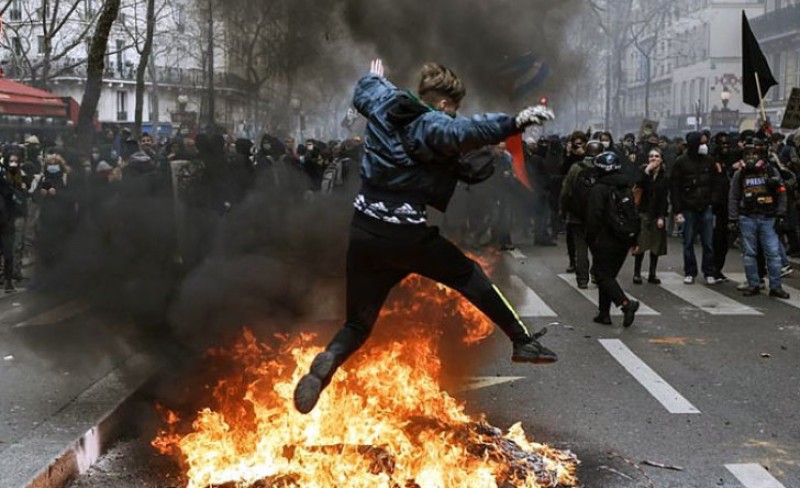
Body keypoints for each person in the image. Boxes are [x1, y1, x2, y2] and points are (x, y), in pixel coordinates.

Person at [293, 59, 558, 414]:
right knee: (469, 275)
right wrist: (513, 123)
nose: (454, 115)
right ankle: (523, 342)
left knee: (357, 323)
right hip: (406, 237)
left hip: (364, 233)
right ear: (445, 104)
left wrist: (375, 77)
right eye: (454, 109)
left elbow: (365, 90)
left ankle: (326, 363)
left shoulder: (384, 103)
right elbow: (466, 131)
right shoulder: (432, 123)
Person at [728, 140, 790, 299]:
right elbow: (734, 197)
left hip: (768, 217)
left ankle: (776, 286)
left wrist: (781, 214)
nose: (751, 158)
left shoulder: (770, 171)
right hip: (747, 217)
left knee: (773, 253)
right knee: (749, 253)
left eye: (754, 154)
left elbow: (782, 192)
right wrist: (733, 218)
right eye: (748, 154)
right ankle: (753, 283)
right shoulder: (740, 174)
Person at [671, 131, 718, 285]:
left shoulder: (709, 161)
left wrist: (712, 201)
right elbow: (675, 187)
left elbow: (715, 184)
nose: (704, 146)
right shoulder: (681, 162)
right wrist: (678, 210)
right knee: (688, 241)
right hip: (688, 207)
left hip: (705, 206)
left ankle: (709, 272)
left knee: (708, 243)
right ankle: (690, 271)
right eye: (701, 143)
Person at [559, 140, 603, 288]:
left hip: (577, 215)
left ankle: (582, 279)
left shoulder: (576, 168)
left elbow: (566, 191)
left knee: (581, 249)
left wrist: (563, 210)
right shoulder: (604, 168)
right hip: (598, 216)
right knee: (597, 248)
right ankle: (597, 275)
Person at [632, 148, 668, 284]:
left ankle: (652, 273)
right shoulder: (642, 172)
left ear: (661, 159)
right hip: (643, 211)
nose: (653, 159)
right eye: (651, 156)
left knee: (656, 245)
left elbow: (664, 198)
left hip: (656, 213)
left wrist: (661, 216)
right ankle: (637, 273)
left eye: (656, 156)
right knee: (641, 244)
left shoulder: (664, 176)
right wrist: (647, 172)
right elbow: (638, 186)